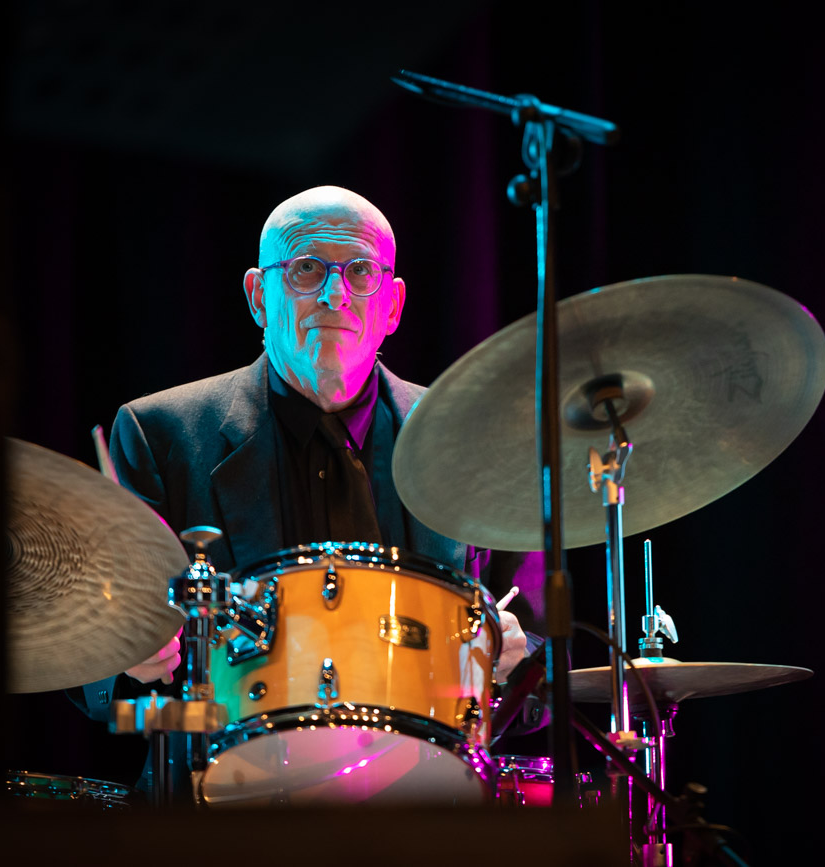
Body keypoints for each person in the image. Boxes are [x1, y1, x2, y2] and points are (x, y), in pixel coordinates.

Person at [69, 186, 540, 743]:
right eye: (306, 269)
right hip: (223, 804)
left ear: (391, 306)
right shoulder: (160, 434)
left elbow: (544, 661)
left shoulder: (468, 439)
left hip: (422, 799)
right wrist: (126, 660)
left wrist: (516, 655)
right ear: (259, 296)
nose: (335, 295)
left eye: (361, 272)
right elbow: (102, 688)